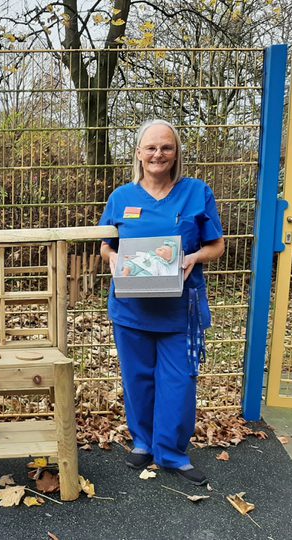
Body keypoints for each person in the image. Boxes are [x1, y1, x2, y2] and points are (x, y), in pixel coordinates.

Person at [99, 119, 225, 486]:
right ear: (138, 153)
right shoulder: (121, 197)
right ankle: (143, 443)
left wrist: (192, 258)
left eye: (166, 148)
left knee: (179, 381)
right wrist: (109, 257)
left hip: (179, 310)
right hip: (131, 308)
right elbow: (107, 243)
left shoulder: (197, 193)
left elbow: (217, 246)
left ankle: (172, 452)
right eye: (151, 147)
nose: (158, 154)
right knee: (137, 379)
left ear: (176, 154)